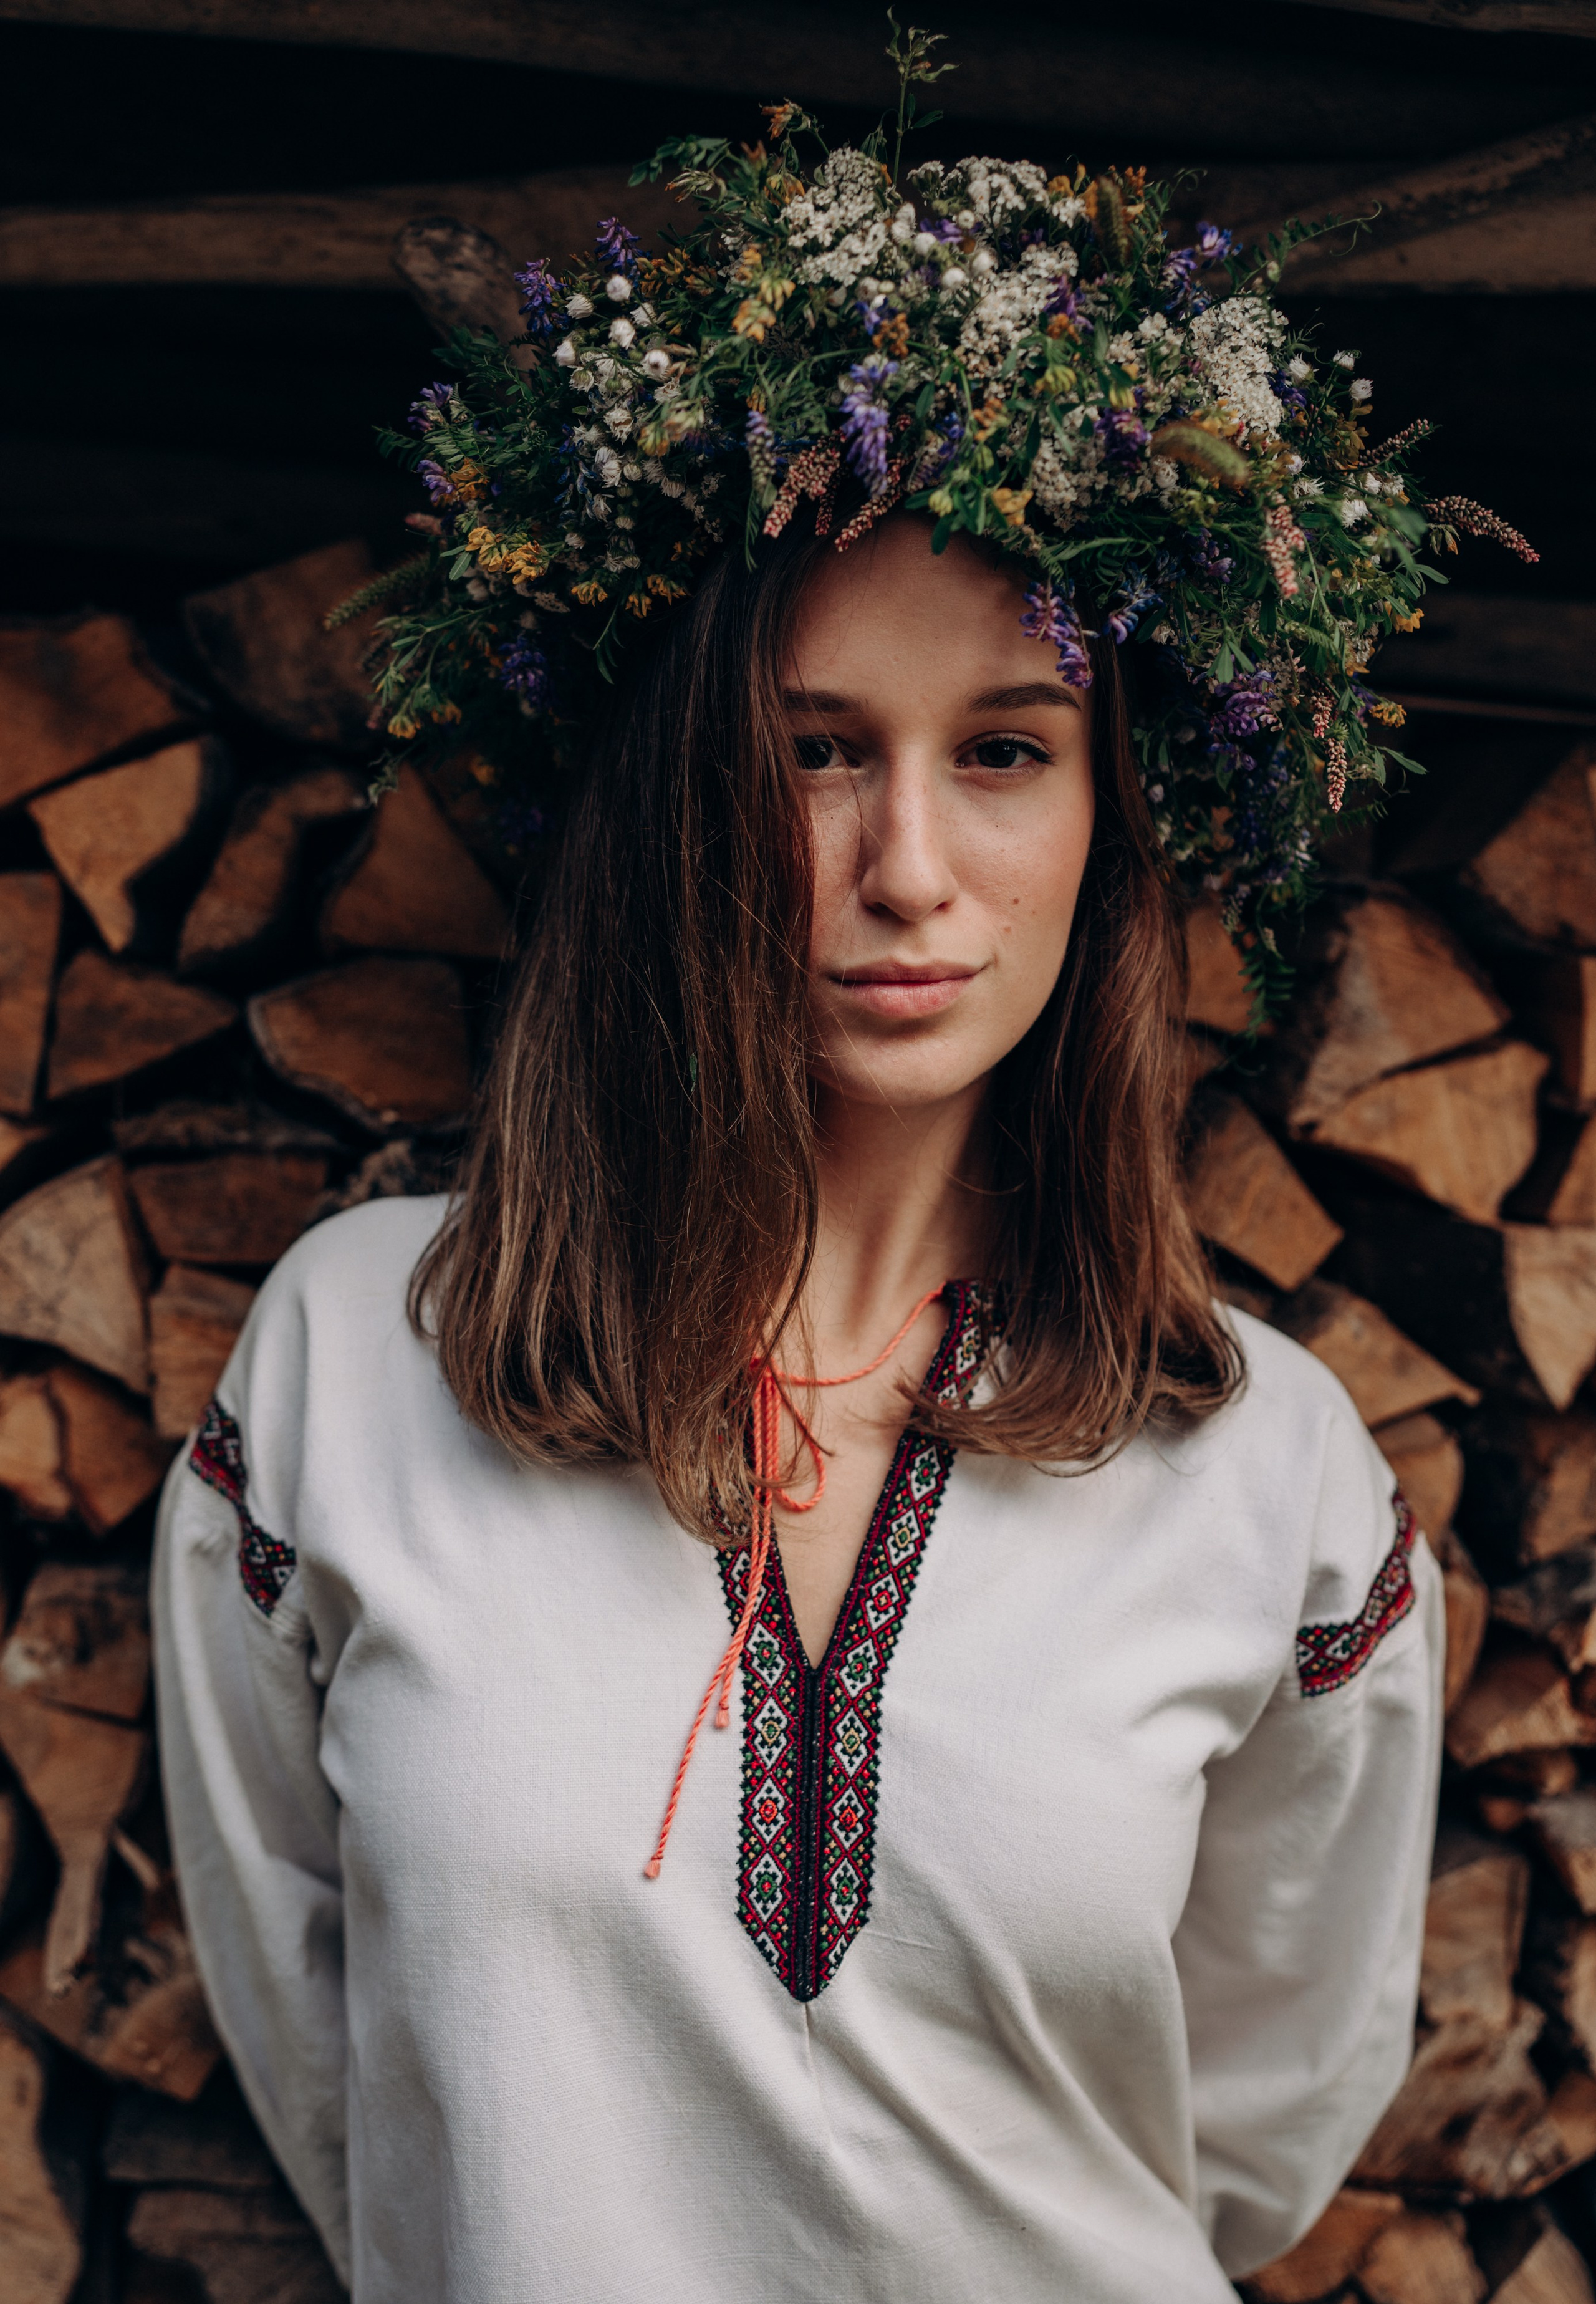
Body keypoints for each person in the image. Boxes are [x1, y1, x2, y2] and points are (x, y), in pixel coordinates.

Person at [155, 75, 1499, 2304]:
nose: (904, 870)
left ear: (1106, 821)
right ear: (679, 800)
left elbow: (1252, 2123)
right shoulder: (350, 1369)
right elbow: (338, 2055)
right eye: (811, 753)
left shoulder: (1266, 1476)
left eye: (1002, 751)